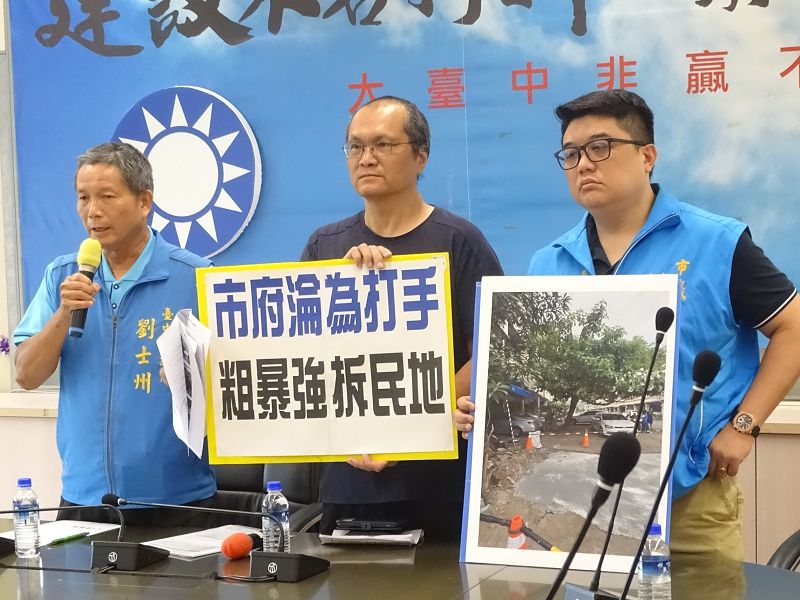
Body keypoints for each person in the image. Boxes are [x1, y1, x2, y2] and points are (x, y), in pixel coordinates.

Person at [455, 89, 800, 561]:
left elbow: (793, 329)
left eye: (600, 148)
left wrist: (743, 427)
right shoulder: (548, 262)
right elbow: (517, 372)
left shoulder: (717, 242)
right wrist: (475, 411)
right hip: (581, 504)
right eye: (571, 154)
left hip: (689, 503)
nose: (583, 164)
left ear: (647, 156)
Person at [301, 96, 503, 540]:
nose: (366, 158)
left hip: (437, 482)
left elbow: (493, 351)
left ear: (421, 155)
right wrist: (343, 284)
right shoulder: (325, 246)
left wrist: (408, 424)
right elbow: (303, 358)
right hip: (347, 482)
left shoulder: (459, 241)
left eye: (383, 145)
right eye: (355, 147)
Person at [14, 142, 216, 526]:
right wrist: (64, 313)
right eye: (83, 198)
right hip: (83, 497)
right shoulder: (63, 276)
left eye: (107, 196)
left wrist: (190, 376)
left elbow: (227, 380)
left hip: (175, 499)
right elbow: (26, 374)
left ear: (144, 202)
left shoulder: (195, 277)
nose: (93, 211)